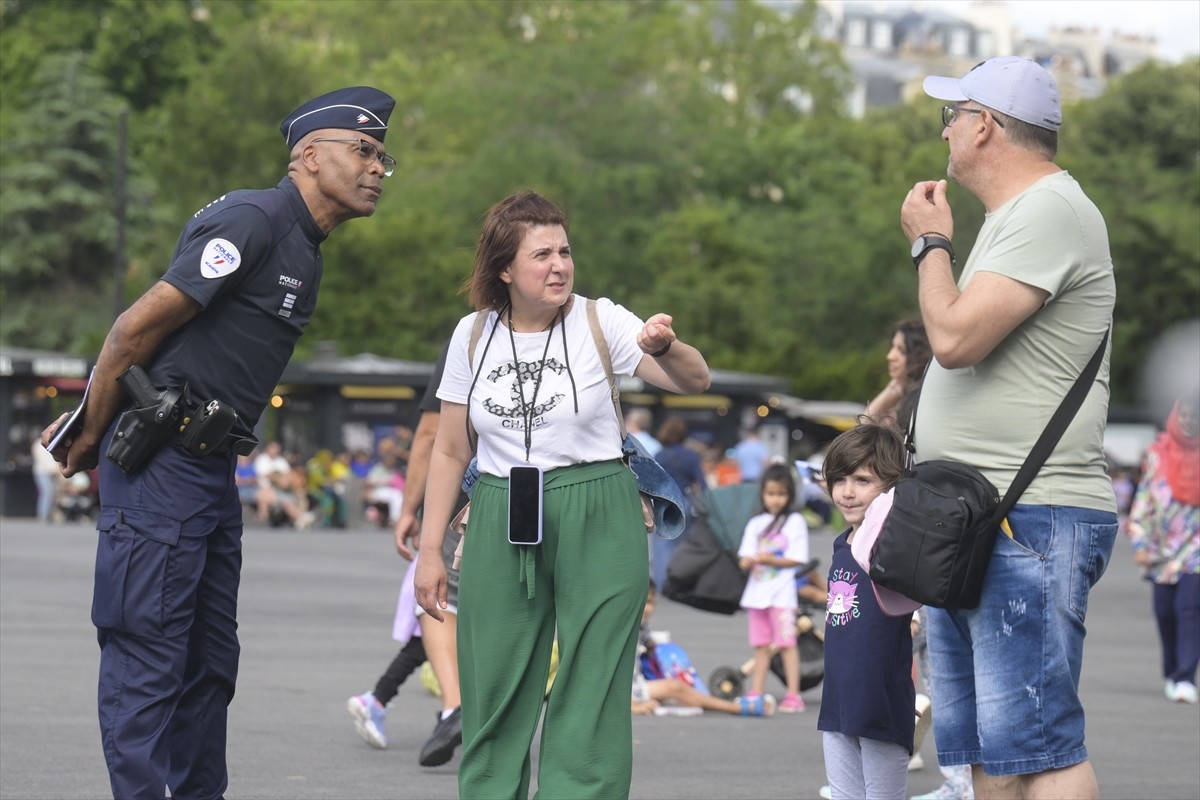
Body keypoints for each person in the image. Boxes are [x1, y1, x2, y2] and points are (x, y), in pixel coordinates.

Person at [40, 86, 397, 799]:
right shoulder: (254, 220)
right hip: (161, 466)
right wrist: (88, 426)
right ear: (308, 156)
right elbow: (133, 330)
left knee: (208, 666)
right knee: (147, 658)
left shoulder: (306, 250)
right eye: (363, 150)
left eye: (384, 157)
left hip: (210, 474)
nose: (378, 168)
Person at [414, 190, 711, 799]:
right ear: (504, 268)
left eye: (565, 252)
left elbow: (694, 379)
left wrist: (664, 346)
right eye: (541, 254)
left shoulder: (602, 320)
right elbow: (449, 449)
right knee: (494, 679)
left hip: (598, 504)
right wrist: (428, 550)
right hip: (500, 506)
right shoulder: (472, 335)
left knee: (592, 682)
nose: (559, 265)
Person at [901, 55, 1118, 798]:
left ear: (985, 125)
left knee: (1041, 748)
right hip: (984, 515)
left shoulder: (1049, 210)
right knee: (990, 755)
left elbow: (955, 339)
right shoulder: (1018, 216)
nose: (945, 131)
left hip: (1030, 514)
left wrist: (931, 244)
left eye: (953, 115)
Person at [348, 338, 467, 766]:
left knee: (439, 604)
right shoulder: (567, 327)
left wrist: (411, 509)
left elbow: (433, 434)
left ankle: (453, 708)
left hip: (471, 500)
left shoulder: (471, 336)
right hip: (547, 497)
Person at [817, 422, 915, 800]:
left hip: (881, 705)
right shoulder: (842, 545)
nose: (847, 492)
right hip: (837, 702)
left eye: (862, 480)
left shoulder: (893, 546)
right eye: (839, 479)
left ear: (892, 485)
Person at [1126, 389, 1200, 705]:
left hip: (1195, 549)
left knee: (1188, 609)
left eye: (1195, 416)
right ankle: (1172, 672)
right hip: (1161, 551)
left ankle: (1185, 677)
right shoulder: (1158, 454)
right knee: (1165, 613)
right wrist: (1139, 543)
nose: (1189, 420)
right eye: (1184, 415)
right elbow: (1144, 501)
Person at [633, 580, 775, 717]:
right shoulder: (626, 626)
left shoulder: (642, 624)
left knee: (678, 678)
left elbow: (651, 644)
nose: (646, 608)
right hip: (627, 690)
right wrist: (633, 705)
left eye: (649, 602)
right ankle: (736, 707)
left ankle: (705, 699)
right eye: (642, 603)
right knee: (675, 688)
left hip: (636, 682)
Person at [736, 462, 810, 713]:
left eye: (781, 494)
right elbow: (744, 556)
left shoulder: (795, 521)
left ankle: (793, 694)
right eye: (770, 493)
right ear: (763, 494)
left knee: (787, 644)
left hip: (782, 596)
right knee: (760, 645)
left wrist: (770, 560)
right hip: (756, 595)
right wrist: (747, 561)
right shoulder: (756, 523)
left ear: (790, 495)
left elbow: (798, 557)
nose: (775, 499)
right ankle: (757, 690)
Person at [651, 416, 707, 590]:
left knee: (662, 547)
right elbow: (702, 484)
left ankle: (663, 586)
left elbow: (652, 482)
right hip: (686, 502)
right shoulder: (691, 455)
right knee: (685, 545)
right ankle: (681, 583)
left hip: (664, 503)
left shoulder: (659, 455)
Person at [864, 318, 931, 434]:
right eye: (893, 347)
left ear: (920, 354)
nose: (890, 356)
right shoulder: (904, 394)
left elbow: (864, 429)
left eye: (902, 350)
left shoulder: (919, 402)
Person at [32, 437, 62, 523]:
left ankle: (47, 514)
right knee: (47, 492)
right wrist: (53, 469)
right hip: (43, 472)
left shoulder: (53, 441)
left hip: (50, 472)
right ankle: (43, 515)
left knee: (51, 493)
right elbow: (42, 460)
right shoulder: (38, 444)